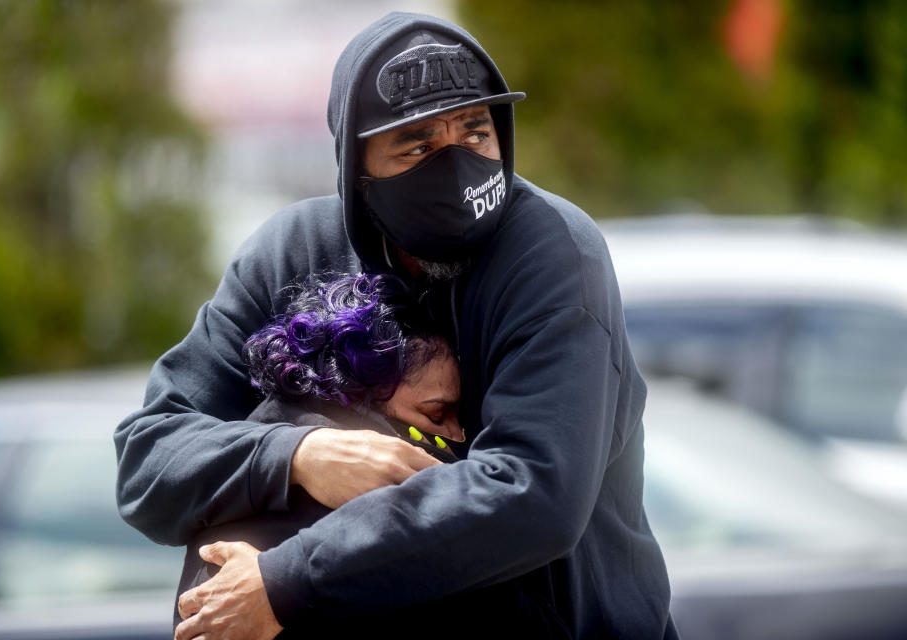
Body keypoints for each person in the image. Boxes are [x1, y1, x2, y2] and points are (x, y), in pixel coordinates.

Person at [114, 11, 678, 639]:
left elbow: (533, 493)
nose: (458, 163)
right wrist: (302, 455)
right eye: (417, 145)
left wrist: (284, 582)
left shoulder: (551, 254)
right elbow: (150, 459)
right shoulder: (289, 253)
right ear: (355, 166)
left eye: (475, 131)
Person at [174, 273, 572, 638]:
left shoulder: (233, 498)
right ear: (355, 402)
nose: (457, 437)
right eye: (436, 414)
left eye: (459, 417)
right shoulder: (393, 526)